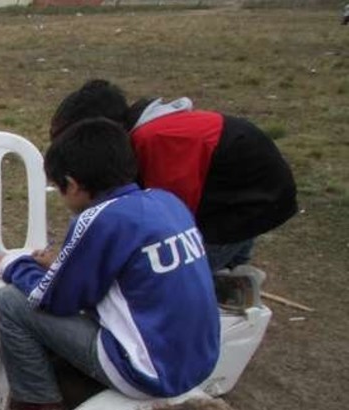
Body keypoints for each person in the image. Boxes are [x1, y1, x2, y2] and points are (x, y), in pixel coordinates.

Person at [0, 119, 220, 410]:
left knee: (10, 300)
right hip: (200, 361)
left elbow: (50, 299)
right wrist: (60, 264)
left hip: (148, 374)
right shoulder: (167, 202)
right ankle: (71, 374)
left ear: (72, 184)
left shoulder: (99, 219)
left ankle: (38, 405)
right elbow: (122, 275)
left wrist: (8, 262)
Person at [50, 79, 298, 274]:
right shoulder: (146, 132)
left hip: (250, 202)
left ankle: (219, 293)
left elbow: (172, 221)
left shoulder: (155, 139)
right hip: (240, 194)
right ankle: (231, 280)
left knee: (174, 272)